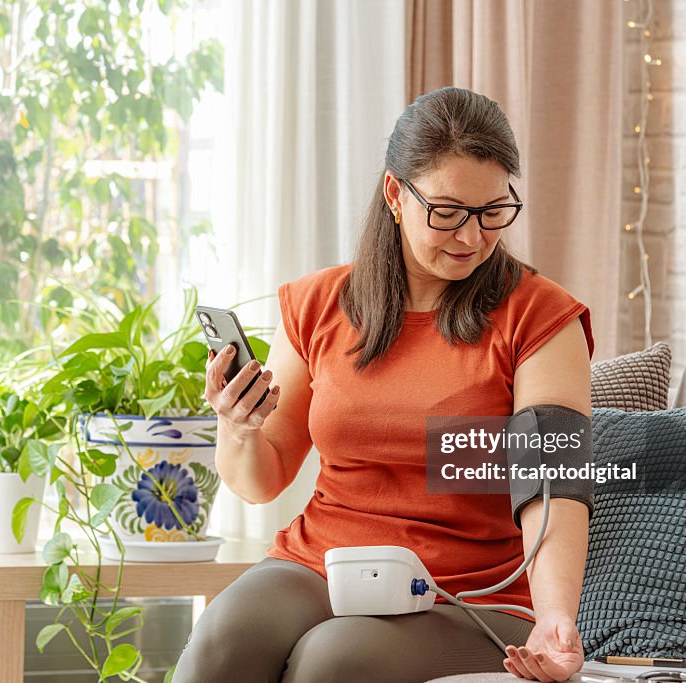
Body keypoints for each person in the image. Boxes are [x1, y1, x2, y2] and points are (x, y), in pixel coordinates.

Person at [173, 86, 595, 683]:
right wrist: (236, 425)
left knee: (334, 659)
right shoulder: (318, 304)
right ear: (396, 194)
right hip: (325, 562)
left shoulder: (540, 317)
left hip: (465, 593)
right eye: (447, 212)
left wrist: (555, 619)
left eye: (492, 211)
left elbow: (553, 485)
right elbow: (262, 479)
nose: (471, 237)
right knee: (223, 634)